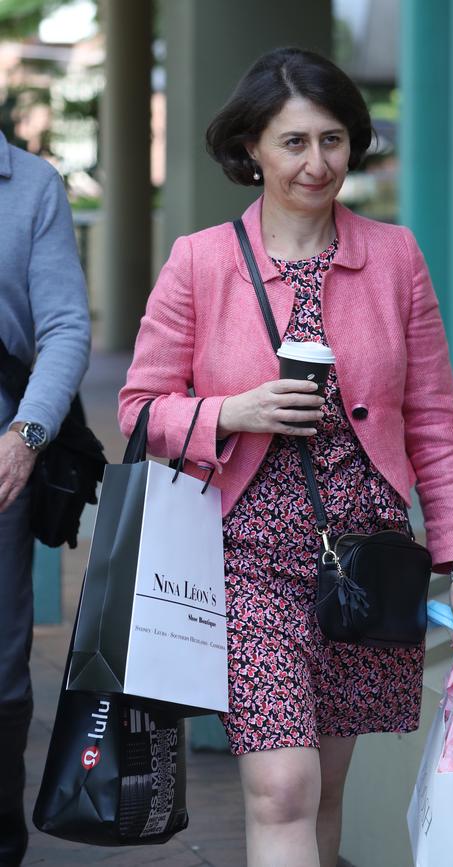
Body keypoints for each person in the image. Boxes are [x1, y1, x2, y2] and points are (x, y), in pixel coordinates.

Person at [118, 47, 453, 867]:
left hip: (365, 568)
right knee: (281, 787)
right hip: (245, 558)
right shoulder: (200, 261)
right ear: (250, 147)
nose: (316, 163)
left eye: (332, 139)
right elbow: (139, 412)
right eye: (293, 142)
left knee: (324, 796)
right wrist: (234, 411)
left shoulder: (396, 259)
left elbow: (434, 421)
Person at [0, 131, 91, 865]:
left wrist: (26, 435)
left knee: (0, 663)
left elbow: (63, 324)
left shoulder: (31, 186)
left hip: (0, 452)